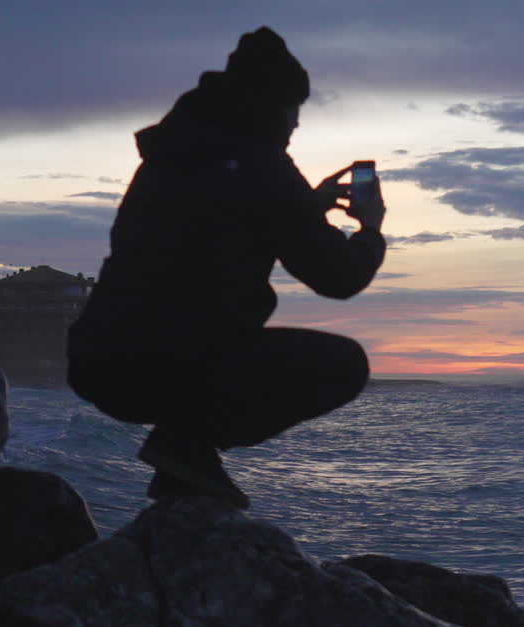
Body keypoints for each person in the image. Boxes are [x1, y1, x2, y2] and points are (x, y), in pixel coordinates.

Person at [67, 27, 386, 509]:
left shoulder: (168, 158)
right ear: (273, 106)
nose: (296, 124)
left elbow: (220, 214)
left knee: (195, 345)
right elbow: (339, 278)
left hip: (100, 361)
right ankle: (185, 445)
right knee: (343, 365)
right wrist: (370, 232)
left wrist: (305, 204)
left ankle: (183, 465)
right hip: (178, 364)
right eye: (294, 110)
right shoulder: (262, 166)